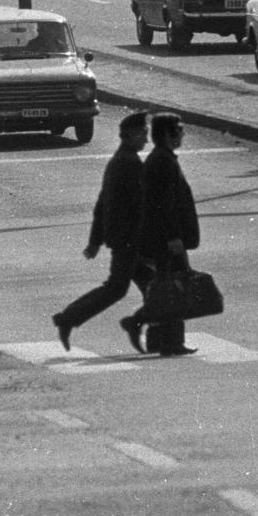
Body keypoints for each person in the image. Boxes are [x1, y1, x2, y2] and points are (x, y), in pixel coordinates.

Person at [52, 112, 150, 351]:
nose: (147, 140)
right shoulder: (128, 163)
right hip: (128, 239)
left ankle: (139, 323)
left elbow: (101, 203)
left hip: (123, 237)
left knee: (152, 286)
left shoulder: (120, 160)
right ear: (132, 135)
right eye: (144, 135)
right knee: (118, 288)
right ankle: (68, 319)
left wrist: (95, 241)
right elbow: (137, 206)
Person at [121, 111, 199, 357]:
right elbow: (162, 205)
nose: (182, 135)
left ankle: (157, 338)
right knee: (173, 287)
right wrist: (173, 236)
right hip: (164, 239)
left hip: (158, 238)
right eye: (179, 130)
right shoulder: (162, 162)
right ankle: (169, 340)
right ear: (167, 134)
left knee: (165, 287)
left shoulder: (161, 158)